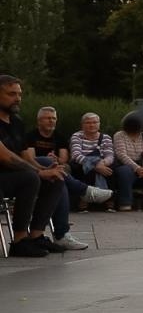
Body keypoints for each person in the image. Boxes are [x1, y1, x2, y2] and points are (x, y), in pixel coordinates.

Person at [0, 75, 71, 256]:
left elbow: (25, 156)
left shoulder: (17, 122)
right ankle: (19, 240)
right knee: (30, 178)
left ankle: (36, 235)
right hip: (3, 176)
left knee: (56, 176)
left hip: (13, 176)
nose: (17, 98)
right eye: (11, 94)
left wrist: (46, 171)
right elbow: (6, 157)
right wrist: (38, 173)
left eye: (19, 94)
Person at [25, 105, 106, 249]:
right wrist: (49, 163)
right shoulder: (31, 136)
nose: (51, 121)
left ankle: (63, 233)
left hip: (54, 171)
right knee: (51, 166)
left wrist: (56, 160)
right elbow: (30, 158)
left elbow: (64, 159)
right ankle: (84, 192)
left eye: (54, 118)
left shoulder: (59, 136)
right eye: (47, 118)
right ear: (39, 121)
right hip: (34, 171)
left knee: (60, 174)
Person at [112, 117, 143, 211]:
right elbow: (121, 155)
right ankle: (125, 202)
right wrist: (136, 168)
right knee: (125, 171)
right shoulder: (119, 135)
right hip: (125, 165)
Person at [70, 113, 116, 197]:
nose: (91, 125)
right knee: (85, 169)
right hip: (83, 163)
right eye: (88, 123)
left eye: (95, 122)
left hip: (101, 162)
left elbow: (110, 156)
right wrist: (94, 166)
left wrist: (102, 164)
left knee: (111, 169)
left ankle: (109, 198)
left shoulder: (106, 137)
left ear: (99, 124)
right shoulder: (77, 136)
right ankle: (84, 199)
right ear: (82, 125)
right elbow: (76, 155)